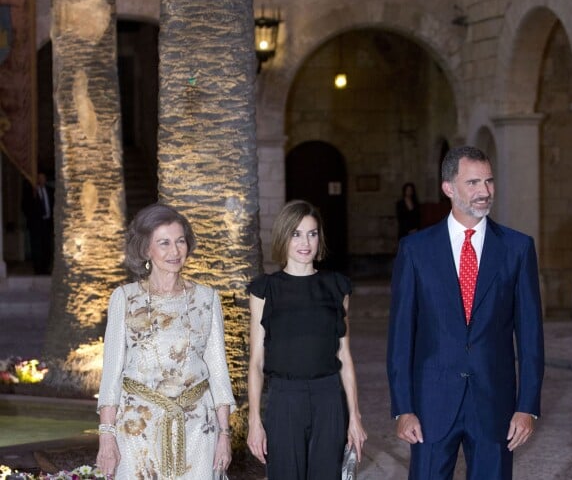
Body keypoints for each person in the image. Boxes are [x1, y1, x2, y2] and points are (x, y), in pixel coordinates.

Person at [387, 146, 544, 480]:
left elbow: (531, 337)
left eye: (488, 181)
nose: (484, 192)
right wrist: (403, 408)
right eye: (473, 183)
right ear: (448, 188)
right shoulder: (415, 250)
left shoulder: (518, 249)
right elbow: (401, 335)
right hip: (431, 405)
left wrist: (527, 406)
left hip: (495, 406)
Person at [96, 203, 236, 479]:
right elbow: (111, 376)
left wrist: (224, 434)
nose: (175, 251)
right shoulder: (124, 298)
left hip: (198, 427)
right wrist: (106, 437)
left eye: (180, 241)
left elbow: (218, 372)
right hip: (137, 428)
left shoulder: (207, 299)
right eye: (164, 243)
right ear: (147, 249)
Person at [247, 199, 367, 480]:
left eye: (312, 233)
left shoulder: (337, 287)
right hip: (284, 399)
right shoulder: (265, 290)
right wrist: (255, 421)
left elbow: (344, 357)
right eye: (296, 234)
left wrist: (355, 416)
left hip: (329, 398)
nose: (305, 242)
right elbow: (256, 362)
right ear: (283, 237)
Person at [21, 171, 54, 274]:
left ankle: (46, 268)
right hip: (36, 224)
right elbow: (24, 206)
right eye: (39, 178)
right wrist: (32, 218)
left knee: (47, 246)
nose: (41, 180)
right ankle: (38, 269)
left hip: (47, 223)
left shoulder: (50, 190)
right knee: (36, 247)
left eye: (43, 178)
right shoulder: (31, 191)